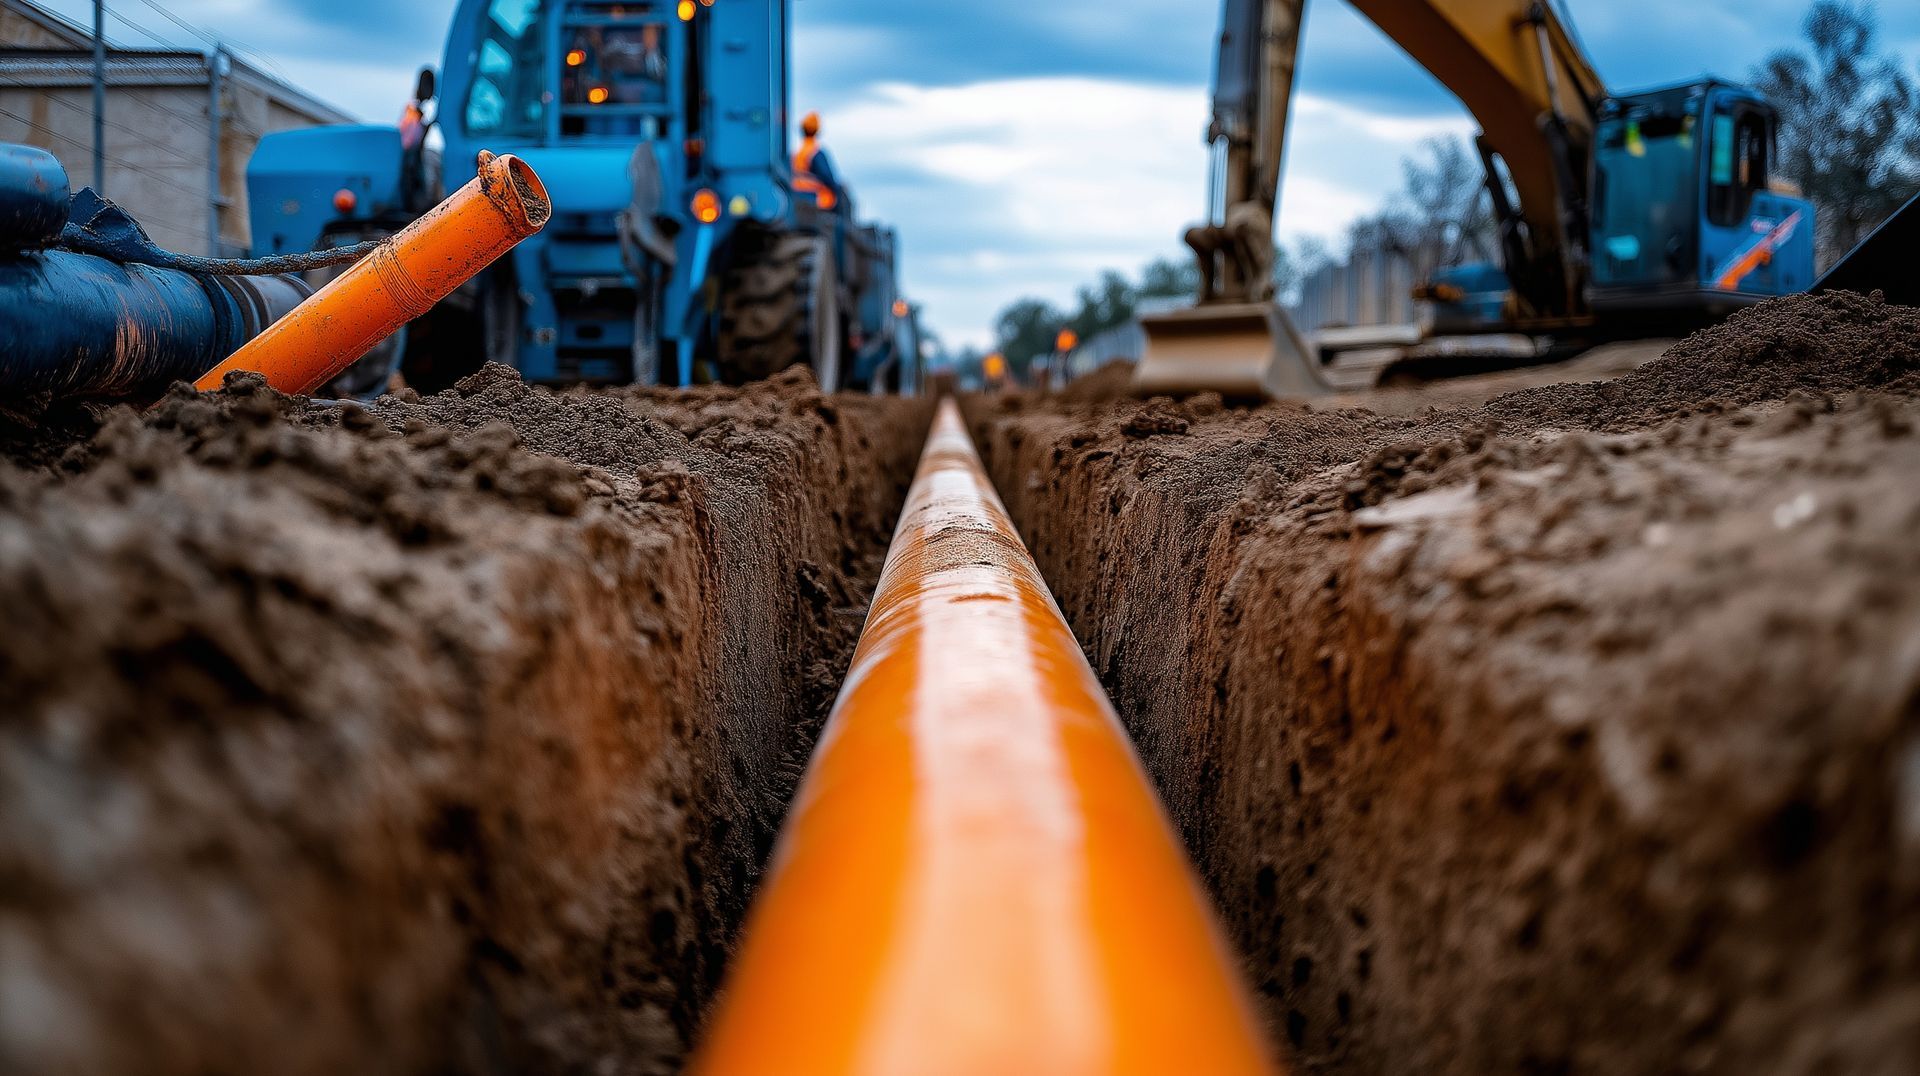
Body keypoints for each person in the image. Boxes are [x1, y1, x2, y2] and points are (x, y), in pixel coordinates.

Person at [792, 111, 844, 211]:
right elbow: (827, 177)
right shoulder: (815, 152)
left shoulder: (797, 154)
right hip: (817, 199)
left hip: (797, 196)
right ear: (817, 131)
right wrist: (837, 190)